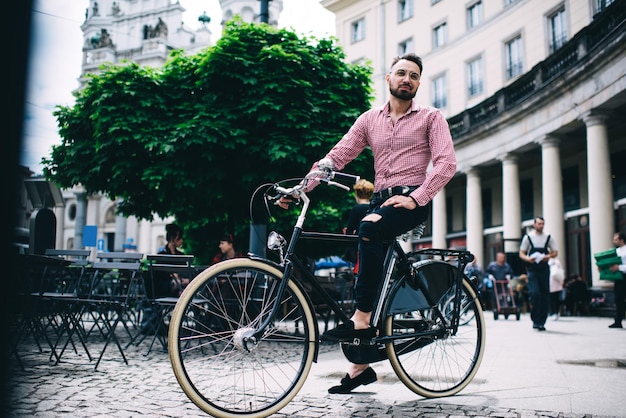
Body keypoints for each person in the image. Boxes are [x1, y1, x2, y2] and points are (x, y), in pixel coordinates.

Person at [282, 53, 456, 394]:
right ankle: (360, 368)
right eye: (401, 73)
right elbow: (336, 157)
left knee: (370, 227)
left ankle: (361, 321)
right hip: (379, 202)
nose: (407, 79)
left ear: (418, 84)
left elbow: (446, 163)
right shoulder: (369, 120)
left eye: (414, 76)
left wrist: (418, 197)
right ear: (388, 78)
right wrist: (302, 187)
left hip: (409, 200)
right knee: (357, 240)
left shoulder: (431, 117)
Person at [519, 216, 558, 331]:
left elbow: (555, 252)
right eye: (539, 224)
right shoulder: (528, 237)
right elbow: (521, 252)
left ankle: (541, 322)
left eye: (542, 224)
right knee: (535, 294)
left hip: (544, 269)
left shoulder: (548, 237)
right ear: (534, 224)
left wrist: (548, 256)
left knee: (545, 295)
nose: (541, 226)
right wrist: (527, 259)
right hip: (533, 270)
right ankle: (535, 318)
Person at [342, 179, 375, 274]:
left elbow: (350, 229)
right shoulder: (374, 208)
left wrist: (347, 232)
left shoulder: (356, 209)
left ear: (357, 193)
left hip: (358, 245)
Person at [607, 232, 626, 328]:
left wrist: (619, 268)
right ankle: (618, 320)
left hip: (624, 274)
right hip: (619, 277)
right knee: (618, 299)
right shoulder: (616, 251)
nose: (614, 241)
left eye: (616, 239)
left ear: (621, 240)